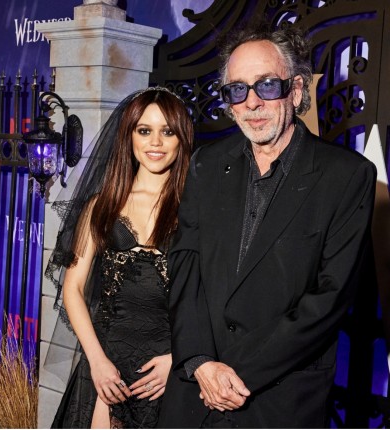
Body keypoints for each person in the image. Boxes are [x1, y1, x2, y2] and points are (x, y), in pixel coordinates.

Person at [158, 22, 377, 429]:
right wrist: (200, 360)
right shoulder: (207, 164)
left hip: (278, 398)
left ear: (295, 89)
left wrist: (235, 373)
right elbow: (185, 266)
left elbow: (329, 299)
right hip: (194, 393)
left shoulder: (347, 176)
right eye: (238, 90)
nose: (252, 102)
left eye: (267, 86)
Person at [46, 87, 194, 428]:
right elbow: (73, 289)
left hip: (166, 371)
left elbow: (211, 298)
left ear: (181, 139)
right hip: (107, 366)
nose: (155, 142)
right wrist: (97, 362)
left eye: (167, 132)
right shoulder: (102, 205)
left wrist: (179, 358)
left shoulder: (197, 208)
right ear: (129, 136)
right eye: (144, 130)